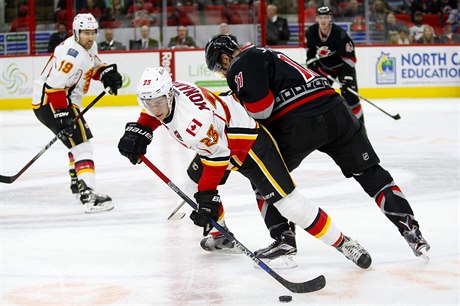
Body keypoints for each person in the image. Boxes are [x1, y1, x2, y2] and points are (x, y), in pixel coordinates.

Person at [201, 34, 431, 263]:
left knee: (262, 176)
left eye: (220, 70)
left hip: (299, 122)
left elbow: (262, 109)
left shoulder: (240, 63)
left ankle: (284, 239)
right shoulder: (268, 53)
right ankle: (412, 231)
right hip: (337, 112)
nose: (223, 75)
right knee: (371, 174)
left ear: (224, 58)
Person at [118, 66, 372, 269]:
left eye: (158, 102)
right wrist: (141, 129)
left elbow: (217, 159)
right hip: (219, 140)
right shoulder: (172, 93)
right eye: (148, 102)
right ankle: (223, 236)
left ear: (170, 94)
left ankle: (344, 243)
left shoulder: (195, 123)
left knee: (288, 203)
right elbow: (156, 112)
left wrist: (208, 198)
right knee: (190, 186)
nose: (154, 109)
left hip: (250, 146)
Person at [31, 13, 122, 213]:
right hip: (53, 102)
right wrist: (62, 114)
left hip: (63, 102)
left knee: (76, 143)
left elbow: (95, 66)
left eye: (92, 32)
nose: (90, 37)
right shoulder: (71, 54)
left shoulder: (89, 46)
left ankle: (77, 182)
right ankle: (88, 194)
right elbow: (54, 86)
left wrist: (106, 75)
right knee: (83, 146)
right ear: (75, 32)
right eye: (85, 33)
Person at [305, 6, 364, 123]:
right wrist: (311, 61)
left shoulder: (340, 34)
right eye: (320, 17)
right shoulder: (311, 32)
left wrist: (347, 77)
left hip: (343, 68)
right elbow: (310, 50)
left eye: (325, 17)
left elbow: (349, 58)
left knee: (351, 100)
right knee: (319, 97)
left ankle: (360, 128)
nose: (323, 20)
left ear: (330, 18)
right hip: (324, 68)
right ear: (316, 18)